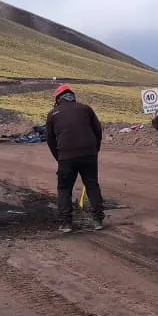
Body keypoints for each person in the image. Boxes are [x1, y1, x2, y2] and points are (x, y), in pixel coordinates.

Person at [44, 84, 105, 233]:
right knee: (92, 185)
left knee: (64, 188)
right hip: (89, 154)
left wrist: (59, 157)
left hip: (66, 155)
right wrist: (94, 150)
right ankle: (98, 220)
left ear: (58, 99)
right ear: (73, 97)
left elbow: (50, 140)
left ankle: (66, 223)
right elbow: (98, 130)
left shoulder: (53, 114)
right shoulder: (86, 109)